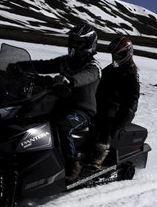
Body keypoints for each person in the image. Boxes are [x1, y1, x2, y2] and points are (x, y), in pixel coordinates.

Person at [9, 23, 101, 180]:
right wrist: (21, 66)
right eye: (73, 41)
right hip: (60, 105)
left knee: (63, 127)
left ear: (89, 44)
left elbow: (84, 77)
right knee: (30, 117)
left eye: (80, 43)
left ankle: (71, 165)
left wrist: (69, 80)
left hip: (82, 111)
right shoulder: (65, 61)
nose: (75, 45)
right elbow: (43, 65)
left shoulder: (93, 67)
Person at [89, 36, 140, 168]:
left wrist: (121, 123)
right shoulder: (111, 68)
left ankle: (98, 158)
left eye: (119, 54)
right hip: (98, 104)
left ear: (127, 53)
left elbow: (133, 100)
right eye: (114, 55)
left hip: (115, 110)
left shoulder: (131, 73)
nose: (116, 57)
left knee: (106, 123)